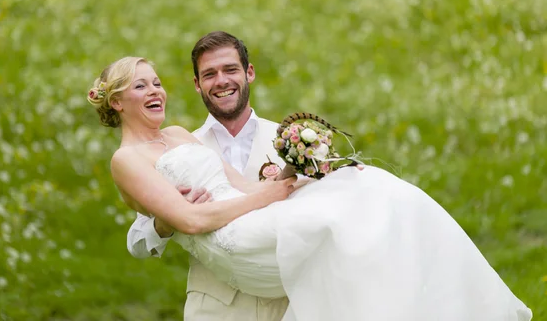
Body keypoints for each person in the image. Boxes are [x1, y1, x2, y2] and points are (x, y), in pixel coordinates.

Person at [88, 56, 533, 321]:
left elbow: (242, 186)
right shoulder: (127, 159)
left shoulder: (193, 135)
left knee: (378, 191)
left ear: (248, 74)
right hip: (227, 277)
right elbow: (177, 223)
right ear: (116, 101)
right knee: (341, 220)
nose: (155, 90)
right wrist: (170, 220)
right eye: (141, 85)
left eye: (157, 82)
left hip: (278, 277)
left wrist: (306, 174)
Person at [127, 31, 297, 320]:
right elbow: (137, 243)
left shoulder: (291, 140)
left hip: (286, 304)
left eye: (230, 69)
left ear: (249, 73)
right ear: (197, 84)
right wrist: (167, 221)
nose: (221, 81)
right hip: (214, 310)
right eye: (209, 74)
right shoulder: (178, 151)